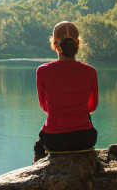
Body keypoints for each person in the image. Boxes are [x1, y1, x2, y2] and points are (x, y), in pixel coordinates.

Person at [33, 21, 98, 162]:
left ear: (54, 45)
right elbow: (91, 107)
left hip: (54, 140)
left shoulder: (42, 71)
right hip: (85, 139)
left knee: (39, 145)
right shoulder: (91, 72)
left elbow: (45, 107)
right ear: (78, 44)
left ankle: (36, 173)